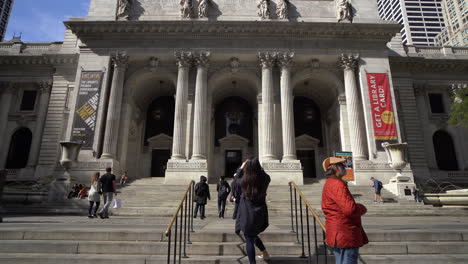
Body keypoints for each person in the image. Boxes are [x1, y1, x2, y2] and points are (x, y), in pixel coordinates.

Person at [321, 157, 368, 264]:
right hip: (345, 232)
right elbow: (350, 210)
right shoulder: (337, 184)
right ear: (334, 168)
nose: (344, 167)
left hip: (337, 232)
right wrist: (362, 208)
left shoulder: (329, 183)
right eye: (341, 165)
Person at [236, 158, 271, 263]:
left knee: (249, 239)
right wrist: (259, 168)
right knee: (253, 235)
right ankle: (265, 252)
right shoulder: (265, 179)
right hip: (260, 212)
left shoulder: (244, 181)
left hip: (247, 213)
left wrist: (241, 168)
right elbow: (265, 175)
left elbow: (236, 178)